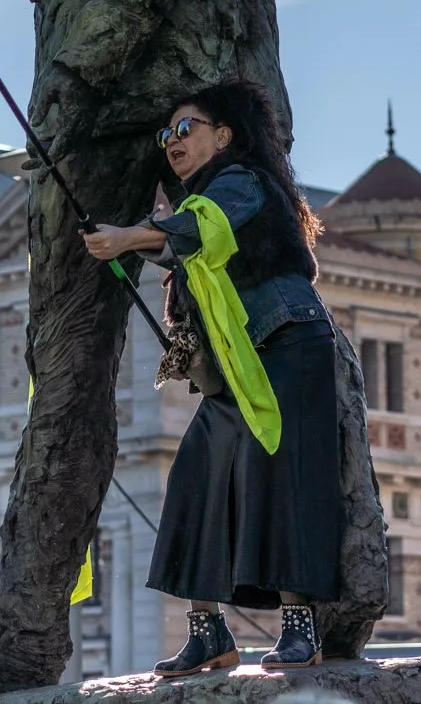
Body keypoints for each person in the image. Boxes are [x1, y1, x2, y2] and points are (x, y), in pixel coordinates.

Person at [85, 83, 342, 674]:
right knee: (196, 478)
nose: (172, 141)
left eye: (186, 128)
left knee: (284, 477)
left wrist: (127, 238)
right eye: (166, 134)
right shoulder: (199, 197)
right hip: (241, 362)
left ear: (223, 136)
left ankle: (301, 629)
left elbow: (200, 230)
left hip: (289, 343)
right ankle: (208, 633)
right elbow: (182, 239)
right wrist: (133, 238)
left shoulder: (241, 181)